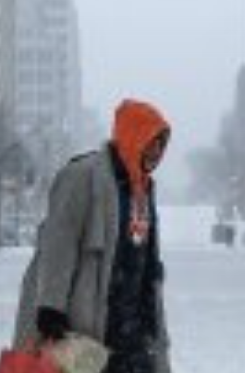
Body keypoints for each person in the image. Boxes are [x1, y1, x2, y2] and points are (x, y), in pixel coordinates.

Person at [13, 99, 172, 373]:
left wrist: (154, 329)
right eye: (151, 142)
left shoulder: (143, 190)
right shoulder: (84, 175)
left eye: (161, 145)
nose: (157, 152)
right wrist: (51, 306)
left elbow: (147, 262)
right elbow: (58, 241)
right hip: (89, 325)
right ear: (133, 136)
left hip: (134, 333)